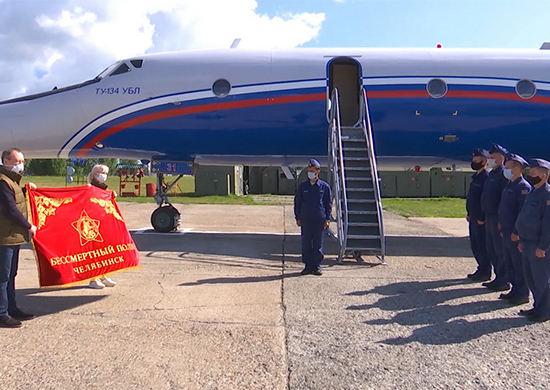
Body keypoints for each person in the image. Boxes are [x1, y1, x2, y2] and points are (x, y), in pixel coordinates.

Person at [0, 148, 37, 328]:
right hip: (4, 237)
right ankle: (1, 313)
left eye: (22, 161)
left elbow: (15, 198)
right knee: (2, 277)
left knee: (11, 275)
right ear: (6, 160)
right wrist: (29, 226)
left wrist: (25, 189)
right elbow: (10, 209)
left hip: (13, 237)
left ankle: (11, 307)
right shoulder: (2, 182)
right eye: (17, 161)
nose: (20, 165)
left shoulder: (11, 181)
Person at [515, 159, 550, 322]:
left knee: (541, 278)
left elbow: (547, 224)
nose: (530, 174)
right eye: (530, 171)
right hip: (528, 242)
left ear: (544, 175)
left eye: (534, 172)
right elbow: (525, 218)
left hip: (538, 245)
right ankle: (538, 306)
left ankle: (545, 310)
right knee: (531, 277)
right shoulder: (533, 192)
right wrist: (522, 240)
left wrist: (543, 247)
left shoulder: (547, 195)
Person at [497, 154, 531, 305]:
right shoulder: (510, 184)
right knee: (509, 262)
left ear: (517, 169)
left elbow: (522, 213)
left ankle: (522, 293)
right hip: (506, 231)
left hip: (515, 234)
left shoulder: (523, 187)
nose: (505, 169)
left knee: (519, 264)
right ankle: (514, 289)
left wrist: (517, 233)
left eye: (508, 167)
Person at [294, 159, 333, 275]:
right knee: (306, 244)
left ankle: (316, 266)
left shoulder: (324, 187)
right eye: (309, 170)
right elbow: (297, 203)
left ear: (318, 171)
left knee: (317, 244)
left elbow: (328, 204)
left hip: (318, 220)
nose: (310, 172)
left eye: (312, 170)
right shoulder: (303, 186)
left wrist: (327, 219)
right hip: (306, 219)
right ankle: (307, 266)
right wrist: (297, 217)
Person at [480, 144, 510, 291]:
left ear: (501, 158)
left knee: (500, 250)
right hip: (490, 216)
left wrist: (501, 220)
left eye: (492, 158)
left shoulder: (503, 174)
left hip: (497, 217)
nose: (489, 160)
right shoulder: (492, 173)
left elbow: (504, 199)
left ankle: (504, 280)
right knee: (491, 248)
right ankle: (498, 277)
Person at [87, 164, 117, 289]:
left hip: (103, 223)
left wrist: (111, 197)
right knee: (93, 252)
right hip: (92, 224)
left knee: (104, 252)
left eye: (106, 173)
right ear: (95, 174)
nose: (104, 176)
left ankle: (103, 275)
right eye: (102, 172)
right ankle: (93, 279)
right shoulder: (89, 188)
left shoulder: (103, 189)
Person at [466, 149, 491, 281]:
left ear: (484, 161)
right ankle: (480, 268)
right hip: (473, 217)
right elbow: (472, 198)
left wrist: (482, 217)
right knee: (475, 244)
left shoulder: (486, 178)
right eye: (473, 160)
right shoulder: (476, 177)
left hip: (480, 219)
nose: (474, 162)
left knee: (482, 245)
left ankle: (485, 271)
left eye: (477, 160)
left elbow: (485, 199)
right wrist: (469, 213)